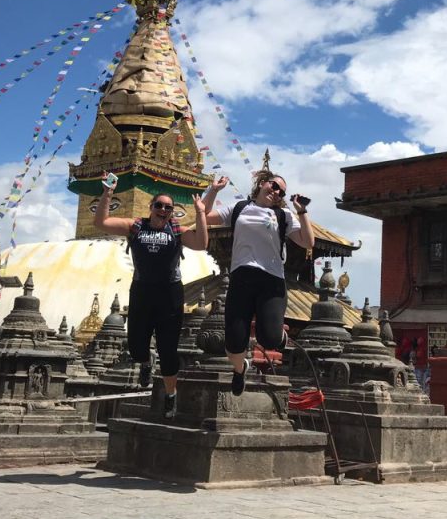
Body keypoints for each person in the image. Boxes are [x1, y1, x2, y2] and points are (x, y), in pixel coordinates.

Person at [94, 177, 208, 419]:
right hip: (142, 290)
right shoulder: (136, 226)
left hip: (170, 292)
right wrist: (107, 193)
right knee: (136, 345)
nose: (164, 210)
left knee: (168, 349)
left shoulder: (176, 229)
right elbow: (101, 222)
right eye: (160, 206)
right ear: (151, 208)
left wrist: (200, 214)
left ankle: (170, 395)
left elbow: (201, 243)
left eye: (169, 208)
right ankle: (145, 362)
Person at [205, 170, 315, 395]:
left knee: (270, 339)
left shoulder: (283, 215)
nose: (276, 192)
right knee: (234, 342)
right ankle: (239, 369)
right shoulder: (239, 208)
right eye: (274, 186)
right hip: (241, 277)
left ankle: (280, 335)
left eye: (281, 191)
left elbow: (307, 241)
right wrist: (214, 190)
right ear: (263, 183)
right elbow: (204, 215)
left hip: (271, 279)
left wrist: (301, 212)